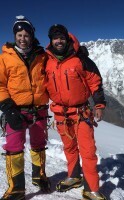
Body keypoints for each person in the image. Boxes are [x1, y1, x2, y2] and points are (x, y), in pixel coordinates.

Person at [45, 24, 107, 200]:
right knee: (69, 148)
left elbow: (95, 82)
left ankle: (91, 189)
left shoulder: (80, 59)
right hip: (60, 114)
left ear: (67, 39)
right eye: (55, 38)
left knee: (87, 151)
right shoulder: (46, 61)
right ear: (51, 41)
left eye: (61, 37)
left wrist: (100, 104)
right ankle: (74, 176)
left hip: (81, 113)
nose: (59, 41)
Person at [0, 15, 51, 200]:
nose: (23, 38)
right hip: (15, 110)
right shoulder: (5, 58)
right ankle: (17, 189)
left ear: (32, 35)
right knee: (14, 148)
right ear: (15, 36)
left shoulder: (42, 56)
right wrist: (7, 107)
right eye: (19, 34)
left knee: (39, 145)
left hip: (39, 110)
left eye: (26, 35)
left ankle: (39, 176)